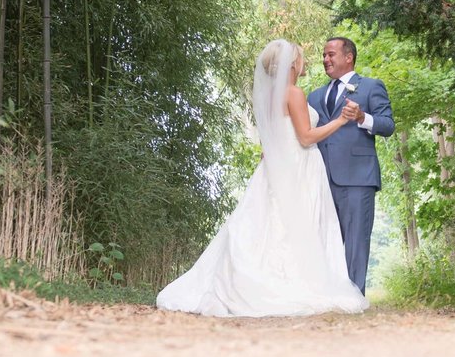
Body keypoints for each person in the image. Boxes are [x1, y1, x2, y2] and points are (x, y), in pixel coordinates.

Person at [157, 40, 368, 317]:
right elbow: (305, 137)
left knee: (270, 224)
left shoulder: (268, 96)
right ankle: (294, 284)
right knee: (296, 225)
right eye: (301, 58)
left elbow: (271, 141)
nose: (305, 61)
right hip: (299, 166)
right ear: (293, 64)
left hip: (275, 168)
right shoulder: (293, 93)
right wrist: (341, 120)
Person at [307, 37, 395, 294]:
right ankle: (327, 296)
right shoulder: (314, 95)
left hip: (358, 177)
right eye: (324, 55)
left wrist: (361, 117)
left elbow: (388, 125)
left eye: (331, 54)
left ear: (349, 57)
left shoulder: (370, 87)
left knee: (356, 242)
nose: (325, 59)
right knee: (324, 241)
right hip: (321, 177)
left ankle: (355, 297)